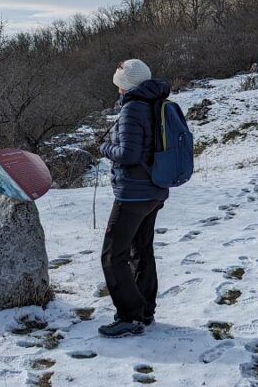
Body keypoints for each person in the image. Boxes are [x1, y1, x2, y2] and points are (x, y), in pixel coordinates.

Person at [97, 58, 171, 337]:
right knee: (141, 250)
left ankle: (129, 316)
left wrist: (105, 147)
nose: (117, 90)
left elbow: (128, 154)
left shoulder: (132, 109)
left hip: (133, 194)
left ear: (127, 86)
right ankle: (144, 311)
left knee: (112, 255)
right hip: (154, 189)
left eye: (119, 85)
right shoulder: (156, 102)